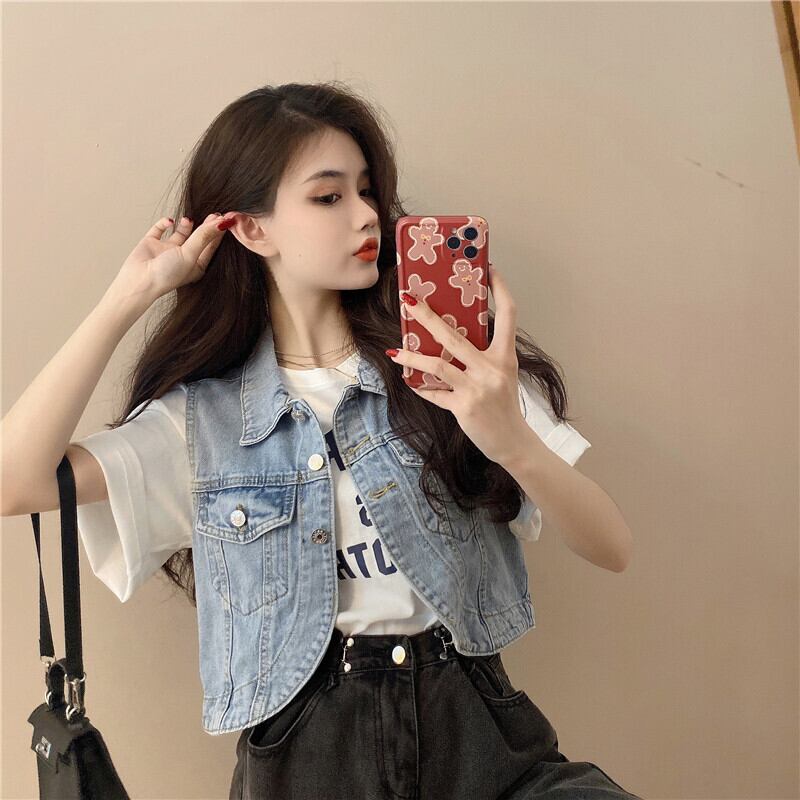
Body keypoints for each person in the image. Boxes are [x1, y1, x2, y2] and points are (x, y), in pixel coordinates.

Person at [1, 81, 642, 799]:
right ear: (252, 230)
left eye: (368, 190)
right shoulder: (201, 424)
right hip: (308, 765)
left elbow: (612, 546)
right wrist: (127, 297)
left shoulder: (448, 367)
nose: (367, 214)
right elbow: (13, 482)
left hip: (484, 747)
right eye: (329, 196)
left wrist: (512, 440)